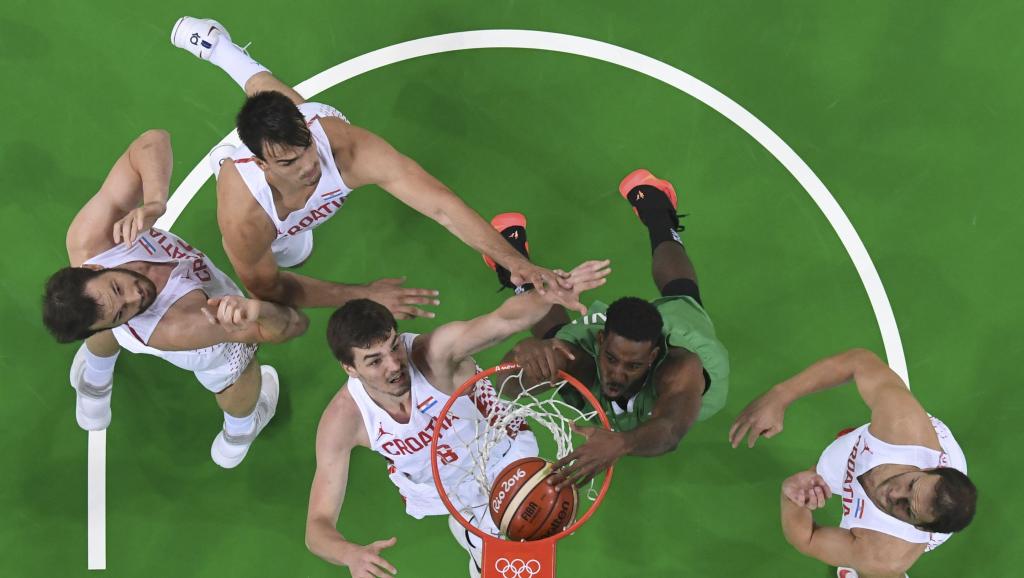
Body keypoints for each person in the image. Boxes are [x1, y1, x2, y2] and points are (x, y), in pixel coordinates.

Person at [170, 16, 569, 316]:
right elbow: (269, 289)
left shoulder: (338, 145)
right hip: (266, 203)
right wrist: (363, 292)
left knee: (282, 103)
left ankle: (221, 48)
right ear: (261, 163)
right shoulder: (244, 217)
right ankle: (222, 55)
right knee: (289, 254)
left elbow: (441, 206)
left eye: (307, 147)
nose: (311, 165)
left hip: (304, 133)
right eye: (291, 160)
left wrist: (513, 260)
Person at [305, 260, 609, 578]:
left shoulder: (435, 354)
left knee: (528, 538)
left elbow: (502, 321)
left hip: (498, 453)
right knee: (502, 544)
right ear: (349, 369)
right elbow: (317, 526)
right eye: (374, 361)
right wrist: (349, 554)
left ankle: (480, 549)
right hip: (440, 487)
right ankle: (473, 539)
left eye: (394, 346)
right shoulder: (344, 419)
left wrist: (551, 295)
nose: (394, 365)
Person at [42, 129, 309, 468]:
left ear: (93, 265)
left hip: (116, 309)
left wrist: (154, 201)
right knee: (239, 366)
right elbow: (278, 327)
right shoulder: (180, 327)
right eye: (124, 311)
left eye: (117, 287)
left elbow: (152, 141)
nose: (134, 297)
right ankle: (238, 434)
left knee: (96, 312)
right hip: (203, 337)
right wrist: (255, 306)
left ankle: (93, 382)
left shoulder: (91, 238)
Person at [491, 169, 730, 489]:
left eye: (633, 365)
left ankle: (658, 213)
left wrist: (622, 443)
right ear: (601, 340)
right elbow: (507, 386)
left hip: (676, 337)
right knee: (555, 348)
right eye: (613, 359)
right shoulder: (584, 352)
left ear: (654, 355)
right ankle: (516, 273)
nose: (617, 374)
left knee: (682, 295)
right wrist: (522, 356)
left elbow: (670, 429)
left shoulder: (681, 367)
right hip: (593, 354)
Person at [729, 348, 977, 577]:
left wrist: (791, 499)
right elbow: (858, 362)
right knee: (829, 464)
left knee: (869, 565)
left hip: (882, 548)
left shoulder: (885, 552)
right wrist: (780, 396)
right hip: (886, 446)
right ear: (927, 468)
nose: (895, 493)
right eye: (911, 485)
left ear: (921, 528)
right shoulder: (902, 425)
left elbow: (808, 538)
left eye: (907, 508)